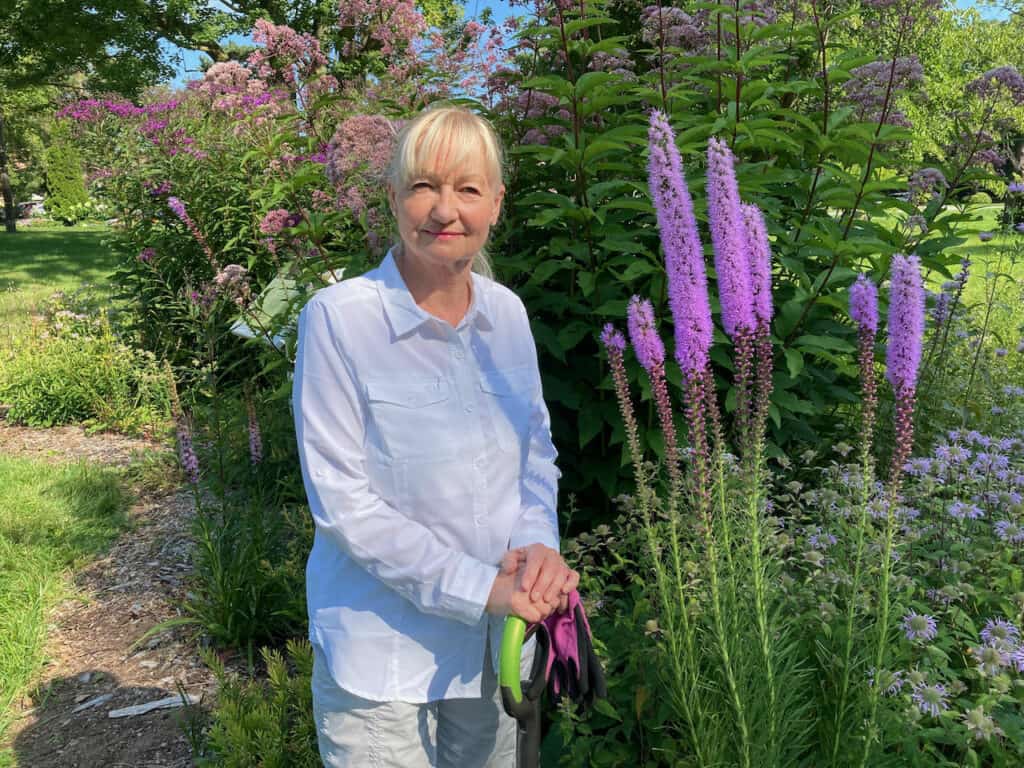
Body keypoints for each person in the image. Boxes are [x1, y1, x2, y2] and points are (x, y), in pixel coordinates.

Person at [292, 105, 578, 767]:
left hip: (495, 647)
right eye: (423, 186)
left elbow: (536, 453)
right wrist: (482, 587)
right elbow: (345, 504)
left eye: (468, 189)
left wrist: (538, 550)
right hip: (383, 665)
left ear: (497, 204)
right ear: (393, 198)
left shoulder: (506, 315)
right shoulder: (339, 320)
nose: (445, 209)